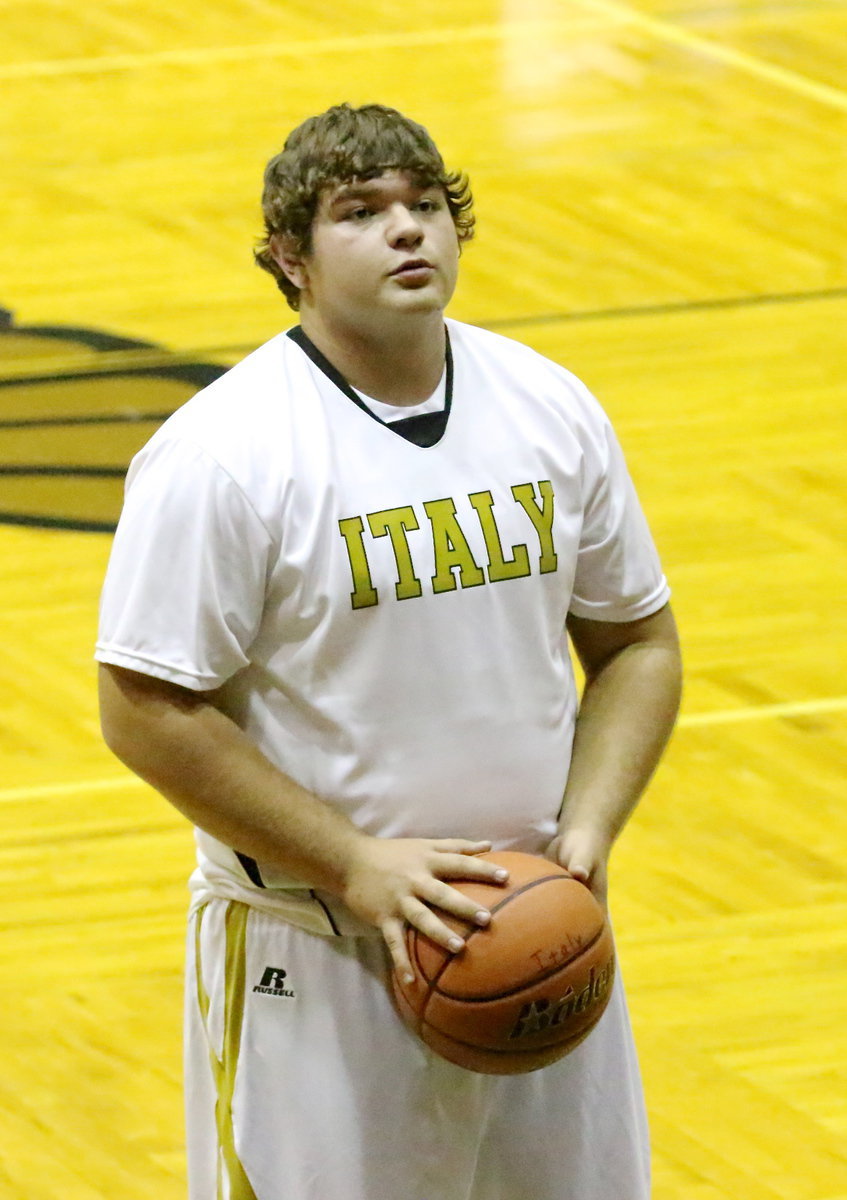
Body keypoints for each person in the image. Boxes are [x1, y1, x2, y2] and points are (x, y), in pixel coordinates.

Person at [97, 102, 682, 1200]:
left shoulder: (547, 405)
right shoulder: (222, 456)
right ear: (291, 261)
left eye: (424, 205)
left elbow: (638, 640)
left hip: (537, 933)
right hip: (320, 950)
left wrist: (589, 833)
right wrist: (357, 865)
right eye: (359, 213)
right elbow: (143, 708)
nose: (406, 230)